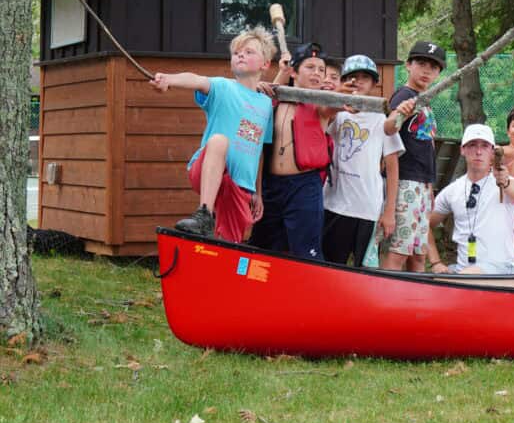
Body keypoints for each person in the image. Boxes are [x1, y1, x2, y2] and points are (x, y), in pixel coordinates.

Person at [150, 27, 275, 241]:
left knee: (228, 246)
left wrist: (258, 192)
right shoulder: (222, 87)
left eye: (249, 52)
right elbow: (196, 80)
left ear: (265, 64)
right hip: (206, 171)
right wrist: (169, 79)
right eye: (236, 53)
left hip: (241, 185)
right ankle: (204, 214)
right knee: (218, 140)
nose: (240, 55)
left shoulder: (266, 105)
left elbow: (259, 150)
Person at [248, 43, 332, 259]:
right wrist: (282, 71)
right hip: (271, 186)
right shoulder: (274, 100)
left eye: (321, 69)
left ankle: (310, 291)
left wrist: (347, 100)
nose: (317, 73)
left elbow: (336, 106)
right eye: (310, 67)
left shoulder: (322, 103)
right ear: (294, 72)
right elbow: (259, 104)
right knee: (262, 248)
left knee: (306, 251)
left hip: (304, 186)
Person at [321, 55, 404, 267]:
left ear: (375, 84)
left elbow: (393, 168)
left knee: (364, 270)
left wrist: (389, 212)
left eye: (364, 77)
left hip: (368, 207)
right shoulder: (336, 114)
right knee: (330, 265)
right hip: (334, 203)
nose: (357, 82)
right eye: (352, 77)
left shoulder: (381, 119)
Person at [381, 41, 445, 271]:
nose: (427, 70)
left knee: (419, 254)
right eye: (421, 63)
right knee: (399, 251)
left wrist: (430, 186)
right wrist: (400, 113)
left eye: (434, 67)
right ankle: (386, 300)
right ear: (408, 65)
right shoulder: (405, 95)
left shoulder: (425, 101)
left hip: (423, 184)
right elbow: (388, 127)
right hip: (405, 182)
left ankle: (413, 302)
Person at [426, 124, 514, 274]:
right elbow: (424, 225)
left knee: (467, 274)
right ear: (462, 150)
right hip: (464, 270)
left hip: (502, 269)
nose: (478, 152)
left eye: (484, 146)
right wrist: (436, 262)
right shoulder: (453, 190)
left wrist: (505, 182)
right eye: (472, 145)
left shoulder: (505, 181)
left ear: (492, 151)